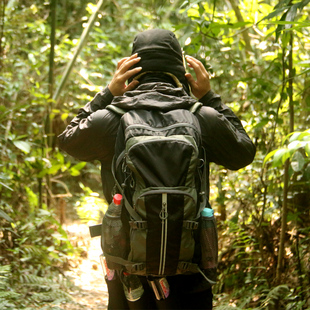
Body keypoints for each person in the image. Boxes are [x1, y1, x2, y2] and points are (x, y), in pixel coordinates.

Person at [58, 29, 256, 310]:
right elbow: (244, 152)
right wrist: (210, 97)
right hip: (191, 261)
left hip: (128, 262)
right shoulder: (202, 117)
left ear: (131, 67)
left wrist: (107, 94)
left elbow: (67, 140)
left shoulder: (112, 119)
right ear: (180, 68)